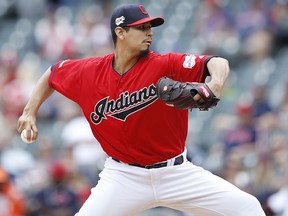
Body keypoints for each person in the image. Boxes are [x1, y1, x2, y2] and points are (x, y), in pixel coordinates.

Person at [17, 4, 266, 216]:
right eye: (142, 27)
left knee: (248, 208)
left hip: (176, 173)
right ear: (120, 32)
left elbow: (217, 62)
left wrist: (215, 85)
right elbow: (53, 73)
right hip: (123, 177)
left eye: (150, 28)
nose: (149, 33)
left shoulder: (165, 63)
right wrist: (29, 111)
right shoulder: (89, 72)